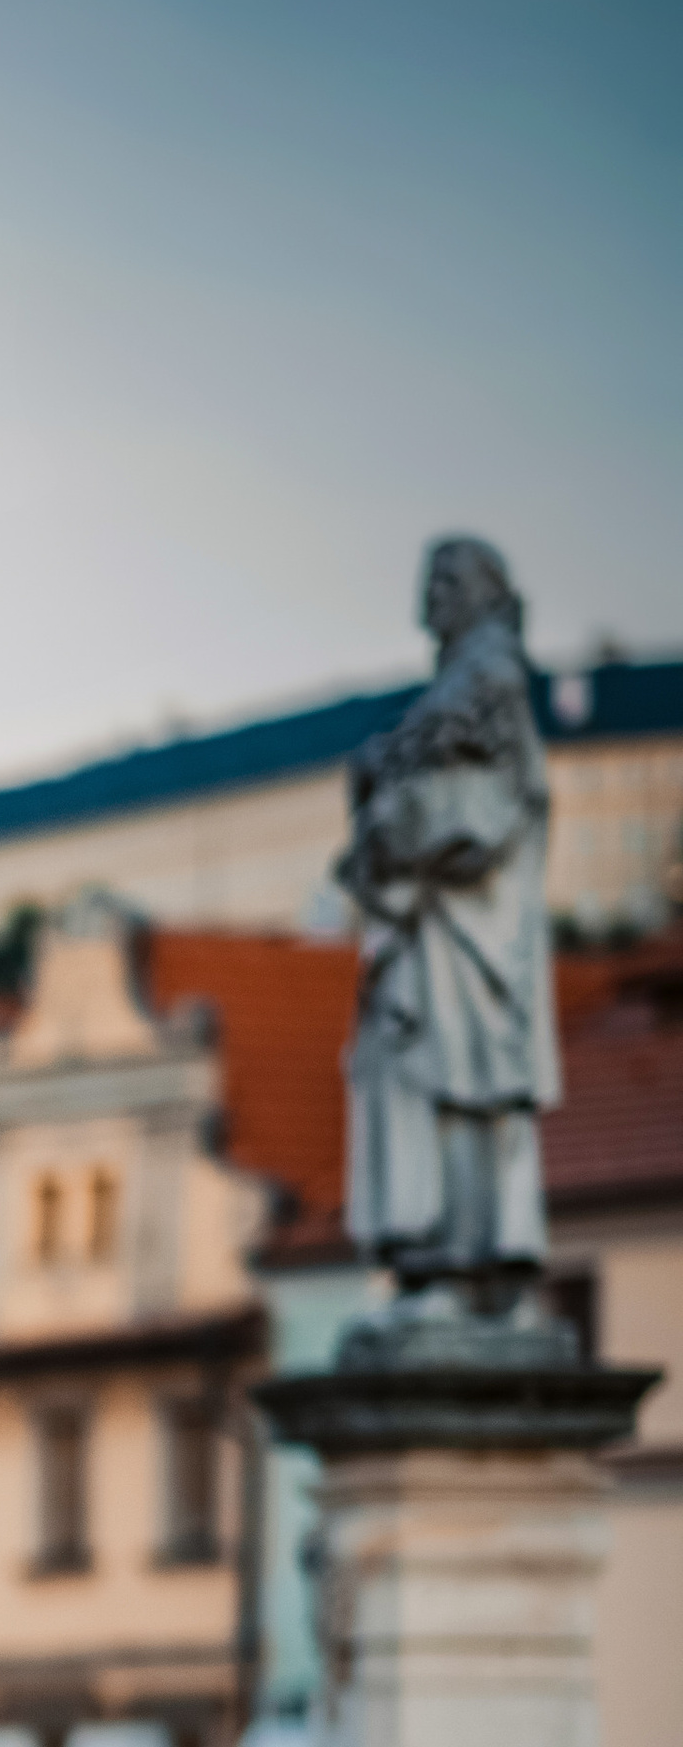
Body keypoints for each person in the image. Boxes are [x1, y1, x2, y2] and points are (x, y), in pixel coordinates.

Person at [338, 534, 560, 1302]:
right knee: (435, 1080)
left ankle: (460, 1258)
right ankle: (444, 1258)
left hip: (464, 930)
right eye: (429, 584)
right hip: (435, 925)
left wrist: (384, 818)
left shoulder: (489, 679)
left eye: (447, 583)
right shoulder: (464, 685)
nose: (430, 600)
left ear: (483, 594)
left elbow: (474, 814)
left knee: (457, 1082)